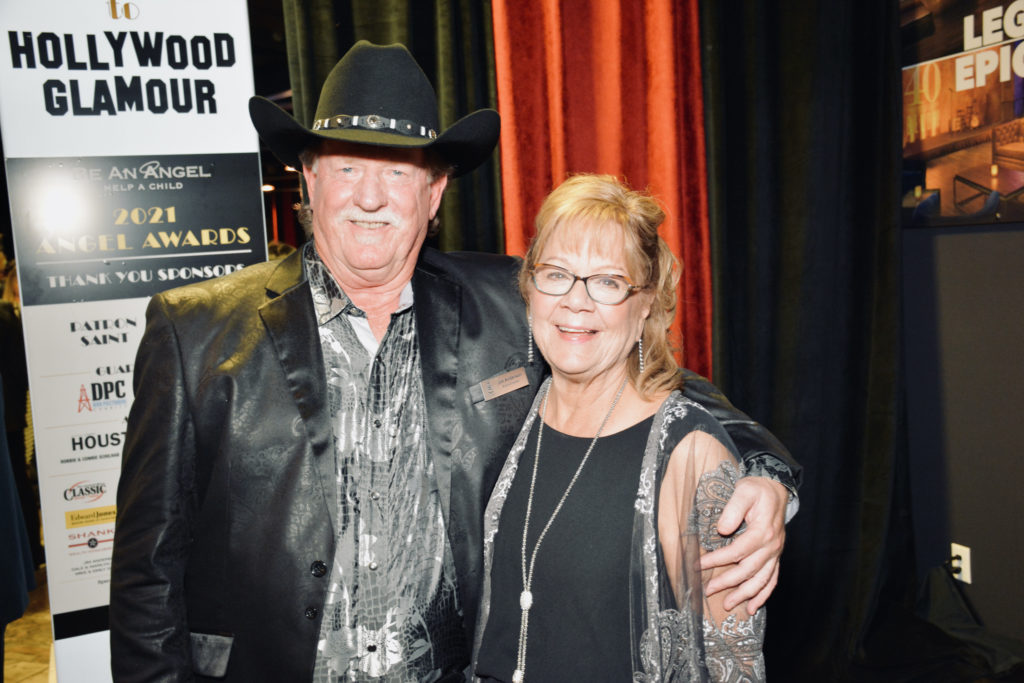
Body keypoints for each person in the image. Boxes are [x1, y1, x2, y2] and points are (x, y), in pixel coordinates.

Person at [109, 41, 798, 682]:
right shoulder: (193, 331)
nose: (370, 196)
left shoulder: (516, 302)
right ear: (309, 179)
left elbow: (658, 382)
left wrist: (766, 480)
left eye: (397, 171)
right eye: (347, 166)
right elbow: (146, 574)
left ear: (434, 194)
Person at [473, 174, 770, 682]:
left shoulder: (691, 454)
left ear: (646, 304)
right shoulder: (511, 410)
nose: (576, 301)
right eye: (557, 273)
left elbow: (731, 667)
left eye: (608, 282)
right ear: (529, 287)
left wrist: (774, 480)